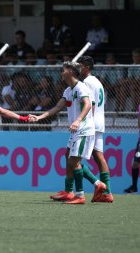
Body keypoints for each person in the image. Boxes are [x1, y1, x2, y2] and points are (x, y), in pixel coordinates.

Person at [29, 61, 106, 205]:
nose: (61, 73)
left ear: (71, 71)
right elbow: (58, 107)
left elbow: (88, 104)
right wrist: (39, 117)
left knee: (73, 161)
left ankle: (80, 195)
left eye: (64, 70)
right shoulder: (69, 90)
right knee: (68, 156)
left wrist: (77, 120)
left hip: (83, 129)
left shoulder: (81, 87)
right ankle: (73, 190)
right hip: (76, 130)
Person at [76, 56, 114, 202]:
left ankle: (95, 186)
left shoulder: (85, 82)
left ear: (86, 67)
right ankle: (107, 193)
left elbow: (90, 104)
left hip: (90, 123)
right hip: (99, 123)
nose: (77, 68)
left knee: (74, 159)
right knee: (99, 157)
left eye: (79, 66)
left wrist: (85, 123)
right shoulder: (97, 81)